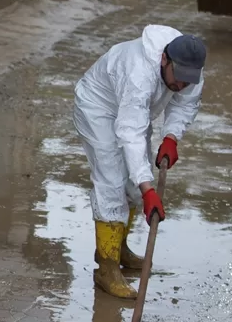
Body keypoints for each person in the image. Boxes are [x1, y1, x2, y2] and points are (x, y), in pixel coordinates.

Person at [73, 26, 206, 299]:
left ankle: (118, 248)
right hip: (99, 108)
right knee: (111, 182)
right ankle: (106, 268)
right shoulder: (137, 71)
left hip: (132, 112)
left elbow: (185, 104)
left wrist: (171, 136)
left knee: (132, 187)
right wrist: (149, 190)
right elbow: (130, 133)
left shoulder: (190, 71)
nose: (180, 85)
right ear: (164, 60)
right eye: (177, 78)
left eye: (187, 81)